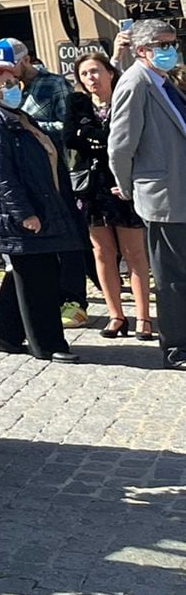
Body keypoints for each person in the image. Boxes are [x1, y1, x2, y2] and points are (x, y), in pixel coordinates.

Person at [0, 61, 83, 362]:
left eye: (13, 82)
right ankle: (47, 344)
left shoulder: (21, 117)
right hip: (20, 215)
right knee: (39, 280)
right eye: (4, 84)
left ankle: (1, 329)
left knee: (31, 275)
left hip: (43, 206)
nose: (12, 88)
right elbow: (0, 175)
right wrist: (23, 213)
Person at [106, 18, 186, 368]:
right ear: (142, 50)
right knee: (171, 278)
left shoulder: (165, 82)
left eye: (173, 43)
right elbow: (120, 146)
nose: (171, 50)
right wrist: (128, 187)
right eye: (163, 45)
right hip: (163, 197)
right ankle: (177, 348)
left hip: (180, 190)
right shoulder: (135, 83)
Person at [71, 53, 154, 340]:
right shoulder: (77, 103)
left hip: (124, 183)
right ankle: (116, 315)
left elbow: (127, 139)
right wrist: (100, 138)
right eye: (84, 74)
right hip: (93, 186)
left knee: (134, 253)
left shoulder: (124, 98)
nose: (90, 78)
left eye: (95, 71)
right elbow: (72, 137)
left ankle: (143, 317)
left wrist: (94, 137)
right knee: (102, 253)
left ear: (109, 73)